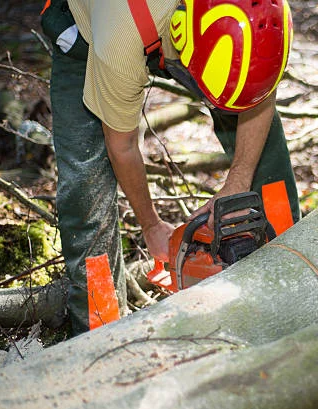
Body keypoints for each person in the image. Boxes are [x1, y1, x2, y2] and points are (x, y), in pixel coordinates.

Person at [41, 0, 300, 335]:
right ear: (181, 37)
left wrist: (239, 180)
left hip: (172, 27)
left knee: (247, 102)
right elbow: (121, 145)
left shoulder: (256, 16)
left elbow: (259, 91)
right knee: (86, 183)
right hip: (89, 30)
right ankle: (99, 333)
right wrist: (151, 225)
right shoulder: (119, 40)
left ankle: (292, 276)